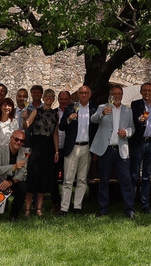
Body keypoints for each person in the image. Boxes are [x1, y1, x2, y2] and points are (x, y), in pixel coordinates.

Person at [91, 84, 136, 218]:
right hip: (106, 150)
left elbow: (132, 128)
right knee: (103, 180)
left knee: (125, 181)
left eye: (119, 94)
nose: (116, 96)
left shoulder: (128, 111)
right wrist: (102, 113)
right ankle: (103, 209)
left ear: (122, 96)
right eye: (114, 94)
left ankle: (129, 210)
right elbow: (93, 119)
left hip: (121, 150)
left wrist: (126, 132)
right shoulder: (102, 107)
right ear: (110, 95)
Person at [20, 83, 59, 216]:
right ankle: (27, 209)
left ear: (54, 99)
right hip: (36, 145)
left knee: (43, 177)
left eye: (51, 96)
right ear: (43, 98)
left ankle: (38, 208)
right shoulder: (37, 111)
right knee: (32, 176)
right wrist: (24, 118)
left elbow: (55, 133)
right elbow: (26, 126)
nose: (48, 98)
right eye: (47, 96)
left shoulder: (56, 113)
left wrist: (57, 151)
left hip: (49, 147)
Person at [58, 85, 93, 214]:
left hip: (87, 147)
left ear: (90, 94)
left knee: (82, 180)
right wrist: (68, 119)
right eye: (81, 93)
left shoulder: (93, 109)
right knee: (67, 179)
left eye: (86, 93)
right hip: (72, 147)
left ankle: (77, 206)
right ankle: (64, 208)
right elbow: (61, 127)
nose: (84, 95)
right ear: (77, 95)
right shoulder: (70, 108)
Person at [0, 129, 29, 221]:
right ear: (11, 139)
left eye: (21, 141)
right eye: (16, 139)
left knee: (23, 187)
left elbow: (23, 173)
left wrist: (11, 182)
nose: (18, 142)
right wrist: (14, 167)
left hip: (12, 182)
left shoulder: (24, 152)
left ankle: (14, 216)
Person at [129, 82, 151, 213]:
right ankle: (130, 205)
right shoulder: (136, 104)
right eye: (145, 90)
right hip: (139, 142)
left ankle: (145, 205)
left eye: (149, 90)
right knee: (134, 175)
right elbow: (133, 119)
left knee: (147, 176)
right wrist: (139, 120)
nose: (147, 93)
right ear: (141, 92)